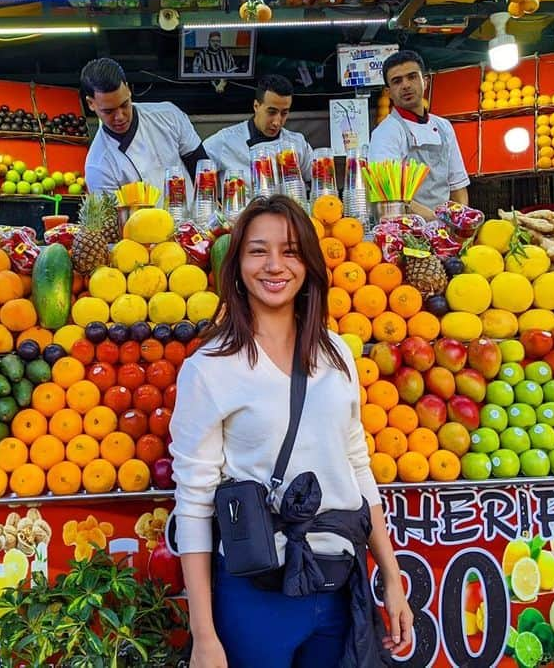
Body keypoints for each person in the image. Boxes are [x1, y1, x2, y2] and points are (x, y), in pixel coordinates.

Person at [169, 195, 413, 668]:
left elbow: (357, 464)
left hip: (337, 584)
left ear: (309, 265)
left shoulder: (337, 353)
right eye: (258, 251)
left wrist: (392, 576)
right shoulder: (210, 368)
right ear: (237, 264)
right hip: (256, 595)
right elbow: (194, 503)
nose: (275, 265)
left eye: (291, 250)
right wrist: (204, 635)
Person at [80, 57, 208, 196]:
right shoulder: (98, 166)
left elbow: (202, 168)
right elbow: (111, 217)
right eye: (108, 111)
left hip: (192, 215)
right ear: (90, 104)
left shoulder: (169, 116)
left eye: (124, 105)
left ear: (128, 89)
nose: (120, 117)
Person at [367, 49, 470, 219]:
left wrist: (459, 221)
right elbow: (393, 198)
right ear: (389, 92)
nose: (406, 85)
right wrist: (437, 223)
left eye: (412, 77)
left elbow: (458, 186)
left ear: (425, 81)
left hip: (446, 228)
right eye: (397, 81)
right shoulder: (385, 133)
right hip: (408, 231)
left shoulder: (444, 127)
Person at [204, 74, 312, 182]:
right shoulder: (225, 141)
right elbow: (195, 169)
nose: (277, 122)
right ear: (256, 106)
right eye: (271, 112)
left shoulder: (298, 143)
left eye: (284, 113)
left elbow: (319, 181)